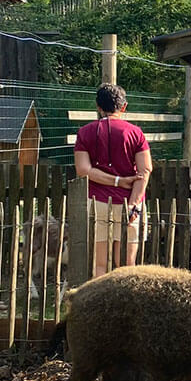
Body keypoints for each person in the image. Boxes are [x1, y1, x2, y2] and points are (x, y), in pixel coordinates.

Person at [74, 83, 152, 277]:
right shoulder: (136, 133)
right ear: (124, 107)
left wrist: (117, 180)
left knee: (99, 265)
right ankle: (125, 305)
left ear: (98, 107)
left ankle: (100, 304)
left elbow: (83, 170)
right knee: (126, 265)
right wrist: (133, 203)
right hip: (129, 204)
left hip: (97, 203)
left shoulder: (84, 132)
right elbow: (146, 170)